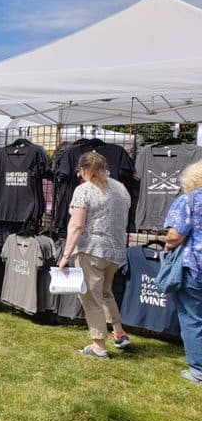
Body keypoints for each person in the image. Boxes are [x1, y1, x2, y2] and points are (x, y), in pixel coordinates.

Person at [59, 152, 132, 359]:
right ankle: (119, 332)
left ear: (83, 170)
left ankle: (98, 345)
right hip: (116, 251)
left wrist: (65, 256)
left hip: (91, 249)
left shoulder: (84, 190)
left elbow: (77, 225)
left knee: (91, 297)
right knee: (105, 293)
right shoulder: (120, 188)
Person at [164, 158, 202, 386]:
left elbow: (175, 235)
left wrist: (168, 242)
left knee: (192, 317)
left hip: (194, 266)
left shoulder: (188, 201)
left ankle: (198, 369)